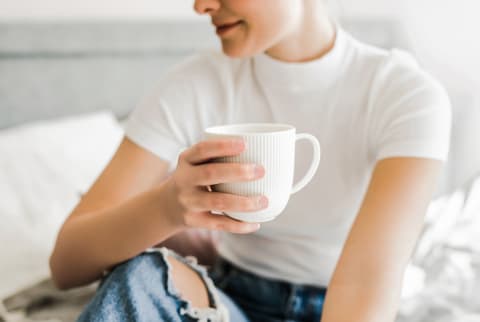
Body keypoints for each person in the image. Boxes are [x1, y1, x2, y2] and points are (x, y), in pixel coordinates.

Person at [49, 0, 452, 321]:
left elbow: (367, 282)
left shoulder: (406, 97)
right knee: (142, 277)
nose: (201, 5)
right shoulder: (194, 85)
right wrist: (169, 205)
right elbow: (67, 264)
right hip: (230, 300)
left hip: (343, 307)